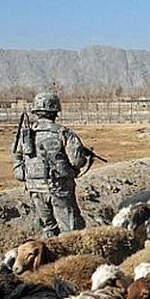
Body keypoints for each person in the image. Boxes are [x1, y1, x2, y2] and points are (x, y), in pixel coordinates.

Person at [11, 91, 91, 237]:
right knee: (71, 232)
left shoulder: (27, 134)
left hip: (35, 190)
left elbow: (17, 157)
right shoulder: (63, 133)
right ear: (55, 111)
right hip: (59, 189)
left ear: (36, 112)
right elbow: (77, 161)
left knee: (49, 230)